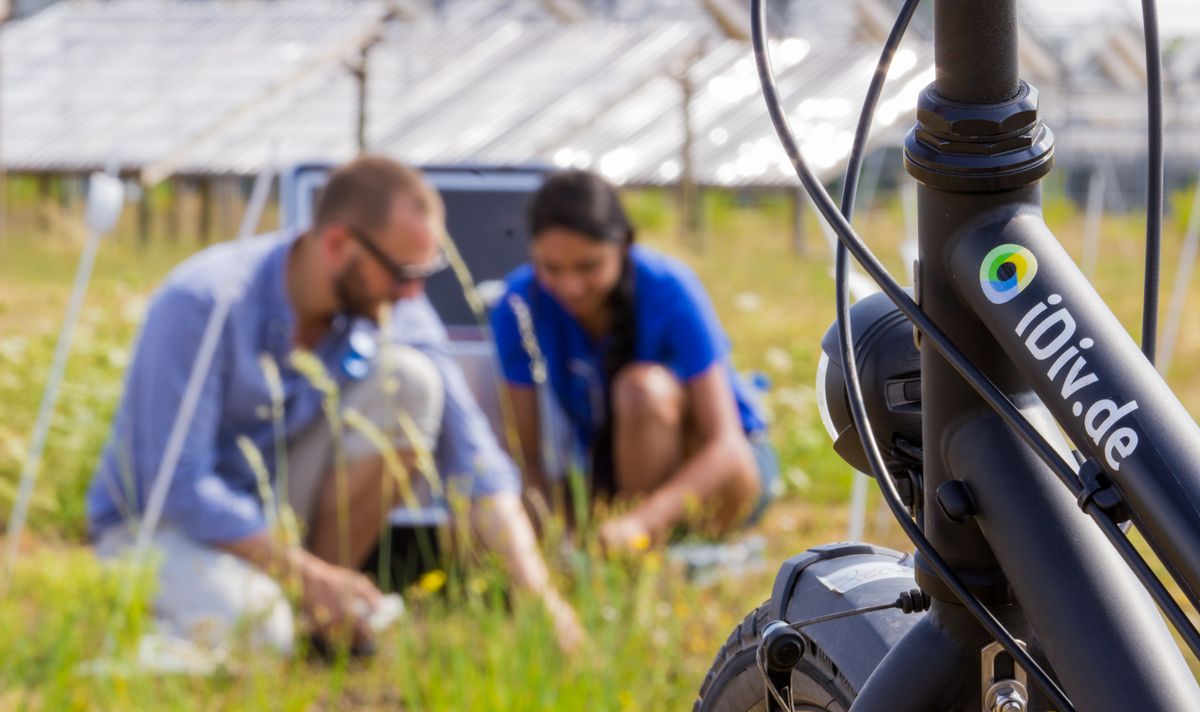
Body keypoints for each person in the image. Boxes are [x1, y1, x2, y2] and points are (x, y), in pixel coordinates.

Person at [87, 156, 582, 657]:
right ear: (338, 243)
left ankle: (316, 610)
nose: (414, 293)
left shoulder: (395, 304)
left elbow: (475, 459)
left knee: (412, 383)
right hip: (156, 523)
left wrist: (543, 602)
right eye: (403, 273)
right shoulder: (202, 303)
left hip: (270, 517)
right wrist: (305, 572)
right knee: (260, 635)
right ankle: (225, 619)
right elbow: (176, 485)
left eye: (425, 274)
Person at [490, 169, 780, 554]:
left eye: (588, 266)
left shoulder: (670, 288)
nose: (570, 287)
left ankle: (641, 551)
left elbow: (725, 446)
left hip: (725, 472)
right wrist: (543, 535)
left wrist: (640, 523)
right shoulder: (518, 302)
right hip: (614, 473)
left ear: (624, 245)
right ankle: (632, 552)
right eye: (551, 268)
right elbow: (525, 457)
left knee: (641, 390)